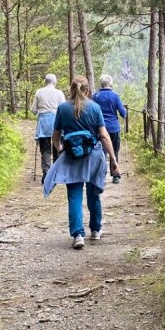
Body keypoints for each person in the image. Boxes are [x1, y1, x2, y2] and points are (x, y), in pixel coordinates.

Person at [43, 76, 119, 249]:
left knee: (74, 196)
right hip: (94, 156)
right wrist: (113, 160)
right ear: (87, 90)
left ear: (71, 89)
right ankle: (95, 230)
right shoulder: (95, 107)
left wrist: (62, 149)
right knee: (94, 193)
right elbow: (104, 136)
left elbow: (55, 137)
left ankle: (78, 235)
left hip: (71, 159)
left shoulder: (62, 108)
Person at [92, 74, 127, 184]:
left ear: (101, 84)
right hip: (113, 127)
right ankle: (115, 175)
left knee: (101, 152)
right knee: (114, 151)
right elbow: (123, 113)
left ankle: (102, 176)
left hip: (100, 128)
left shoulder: (95, 96)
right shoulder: (115, 96)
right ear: (110, 83)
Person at [31, 73, 65, 181]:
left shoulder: (39, 92)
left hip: (43, 121)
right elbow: (63, 108)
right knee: (57, 145)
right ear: (55, 82)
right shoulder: (59, 93)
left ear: (45, 81)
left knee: (45, 148)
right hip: (57, 120)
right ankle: (55, 173)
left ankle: (46, 171)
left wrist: (40, 113)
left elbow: (33, 109)